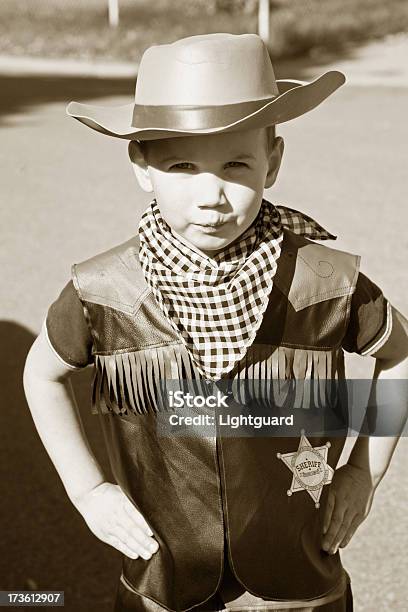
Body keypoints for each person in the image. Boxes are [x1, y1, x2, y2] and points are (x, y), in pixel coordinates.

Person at [23, 33, 407, 612]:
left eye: (236, 163)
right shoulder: (104, 292)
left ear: (272, 161)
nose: (212, 195)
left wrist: (360, 473)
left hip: (298, 556)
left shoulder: (324, 281)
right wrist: (89, 489)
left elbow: (398, 352)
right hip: (168, 564)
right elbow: (41, 376)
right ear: (142, 166)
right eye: (182, 164)